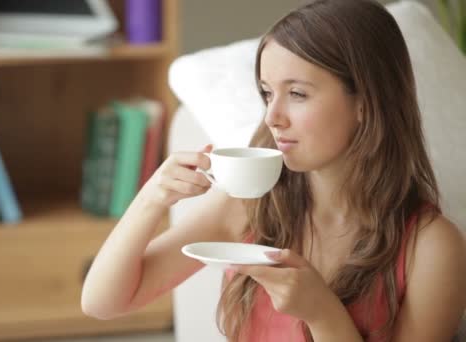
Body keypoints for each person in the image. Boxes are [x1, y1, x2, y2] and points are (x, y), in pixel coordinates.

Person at [81, 0, 466, 341]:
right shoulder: (250, 206)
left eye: (297, 94)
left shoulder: (431, 249)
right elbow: (103, 302)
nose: (272, 116)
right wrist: (152, 198)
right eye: (267, 93)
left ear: (367, 103)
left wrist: (322, 312)